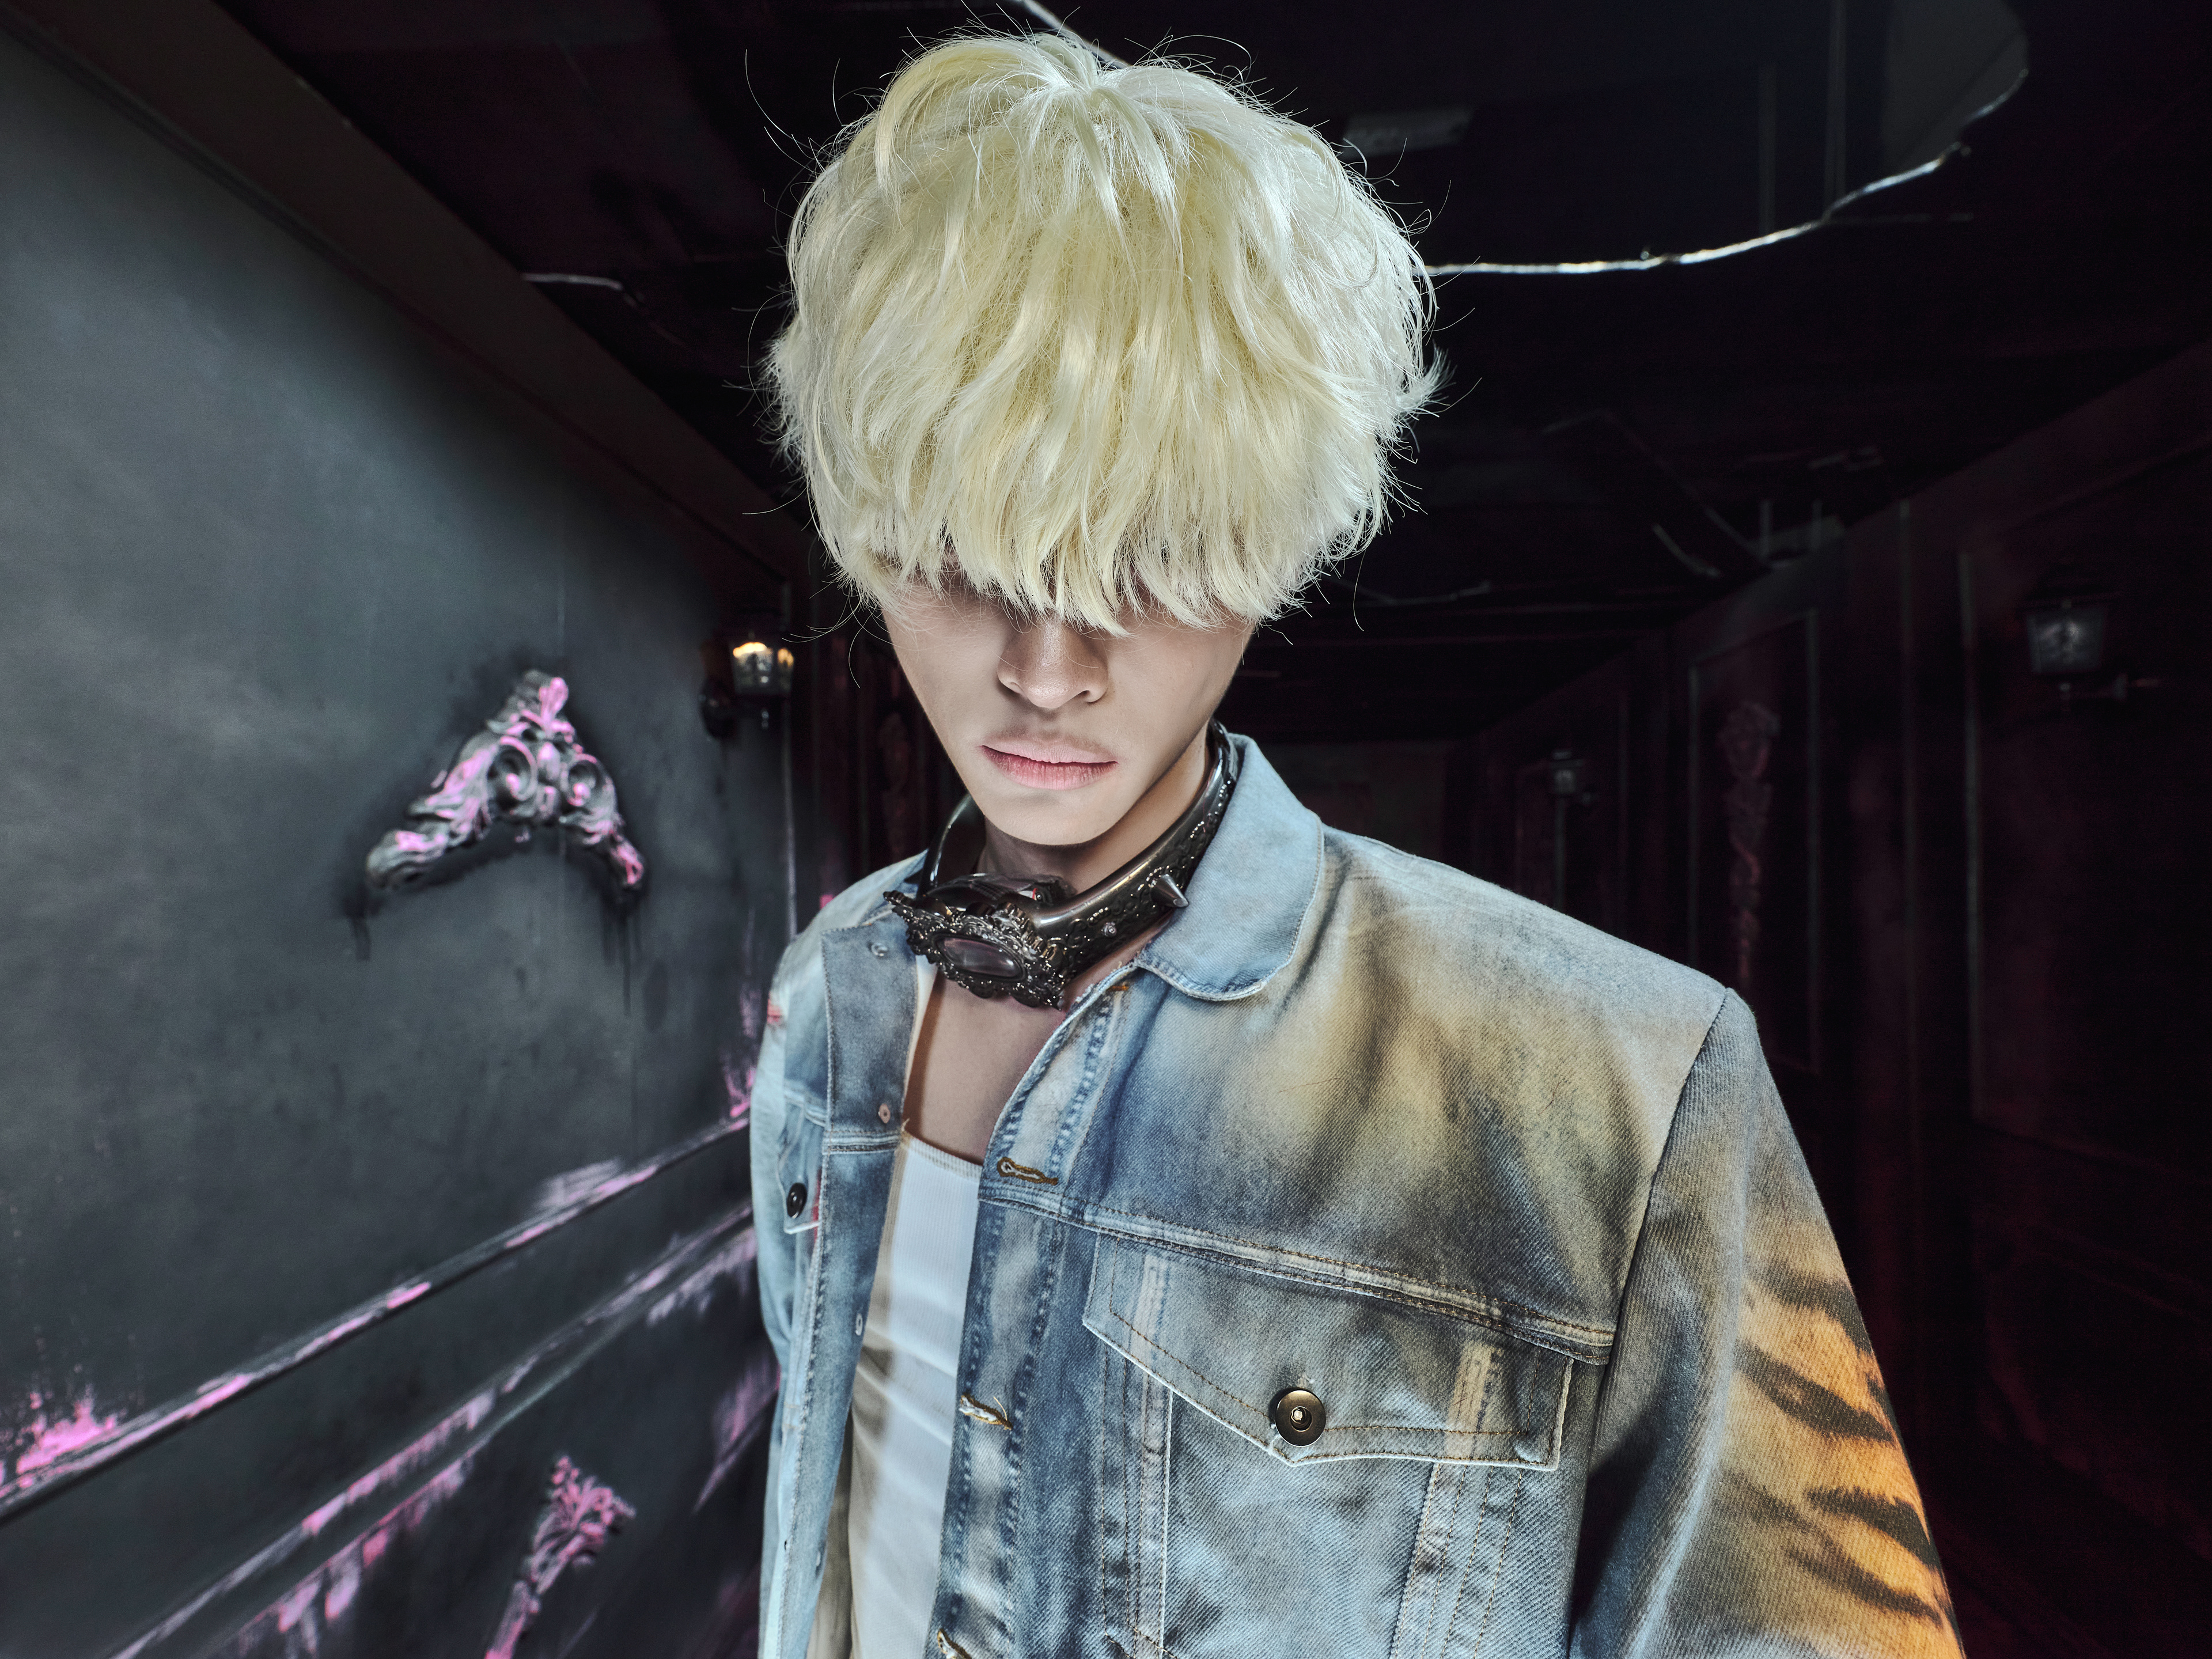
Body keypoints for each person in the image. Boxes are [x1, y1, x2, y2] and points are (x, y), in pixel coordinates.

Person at [751, 31, 1960, 1659]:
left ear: (1272, 546)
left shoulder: (1615, 1081)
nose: (1046, 669)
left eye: (1150, 565)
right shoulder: (830, 988)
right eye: (963, 563)